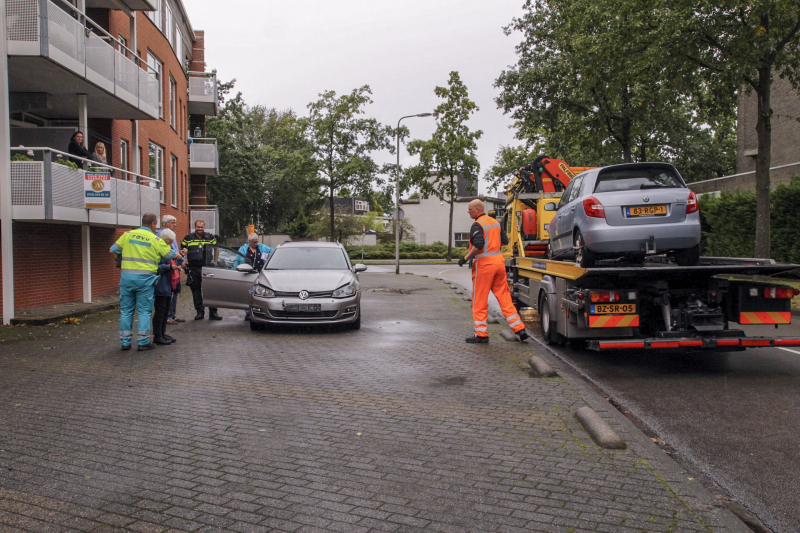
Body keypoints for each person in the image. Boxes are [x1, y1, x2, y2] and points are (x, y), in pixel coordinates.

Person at [458, 199, 529, 344]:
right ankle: (520, 330)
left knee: (479, 300)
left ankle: (481, 334)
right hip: (499, 264)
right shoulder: (495, 223)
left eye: (470, 209)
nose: (468, 211)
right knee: (504, 298)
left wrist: (465, 258)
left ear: (478, 209)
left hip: (484, 266)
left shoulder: (477, 224)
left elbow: (478, 246)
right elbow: (504, 241)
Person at [109, 213, 179, 351]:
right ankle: (143, 342)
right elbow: (171, 255)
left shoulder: (128, 235)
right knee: (144, 311)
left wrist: (120, 263)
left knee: (126, 311)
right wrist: (180, 256)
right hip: (145, 280)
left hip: (127, 278)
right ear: (153, 224)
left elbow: (112, 251)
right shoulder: (155, 239)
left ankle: (125, 342)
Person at [181, 219, 221, 321]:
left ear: (204, 227)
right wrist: (184, 259)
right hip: (194, 267)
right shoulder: (188, 237)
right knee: (196, 291)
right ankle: (200, 312)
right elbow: (182, 250)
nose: (200, 229)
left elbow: (217, 248)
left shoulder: (209, 237)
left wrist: (215, 261)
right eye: (198, 227)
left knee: (211, 290)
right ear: (195, 227)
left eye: (201, 227)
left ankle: (213, 312)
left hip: (207, 267)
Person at [152, 228, 183, 345]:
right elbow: (155, 267)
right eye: (169, 242)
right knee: (160, 311)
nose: (171, 244)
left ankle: (163, 333)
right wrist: (170, 267)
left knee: (165, 310)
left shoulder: (167, 249)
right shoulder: (159, 250)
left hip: (167, 285)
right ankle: (157, 335)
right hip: (160, 284)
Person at [234, 233, 274, 320]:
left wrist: (270, 254)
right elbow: (237, 261)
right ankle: (248, 312)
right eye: (254, 242)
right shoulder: (243, 249)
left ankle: (258, 311)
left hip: (259, 275)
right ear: (249, 242)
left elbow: (273, 250)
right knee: (247, 294)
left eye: (257, 242)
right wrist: (234, 272)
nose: (256, 243)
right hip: (247, 275)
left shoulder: (262, 247)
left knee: (257, 294)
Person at [157, 215, 184, 324]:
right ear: (165, 224)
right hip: (168, 267)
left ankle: (172, 315)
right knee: (169, 293)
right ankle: (168, 317)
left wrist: (181, 256)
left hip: (174, 266)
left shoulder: (171, 234)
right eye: (172, 222)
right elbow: (168, 252)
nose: (175, 225)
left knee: (174, 292)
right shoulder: (162, 235)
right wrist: (179, 258)